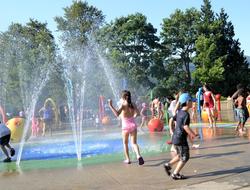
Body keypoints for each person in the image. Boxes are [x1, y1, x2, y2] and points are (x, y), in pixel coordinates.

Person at [164, 93, 198, 180]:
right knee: (185, 157)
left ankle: (168, 165)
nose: (193, 103)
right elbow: (185, 126)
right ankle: (175, 173)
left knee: (180, 155)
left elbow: (171, 119)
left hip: (176, 138)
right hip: (181, 139)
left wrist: (171, 130)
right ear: (187, 102)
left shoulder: (179, 112)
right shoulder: (186, 114)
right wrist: (193, 135)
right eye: (191, 101)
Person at [108, 90, 144, 165]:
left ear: (123, 97)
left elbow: (117, 114)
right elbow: (137, 113)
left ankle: (128, 159)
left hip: (125, 126)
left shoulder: (123, 105)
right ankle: (138, 155)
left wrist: (110, 106)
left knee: (125, 143)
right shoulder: (133, 104)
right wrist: (133, 116)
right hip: (133, 125)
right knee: (134, 143)